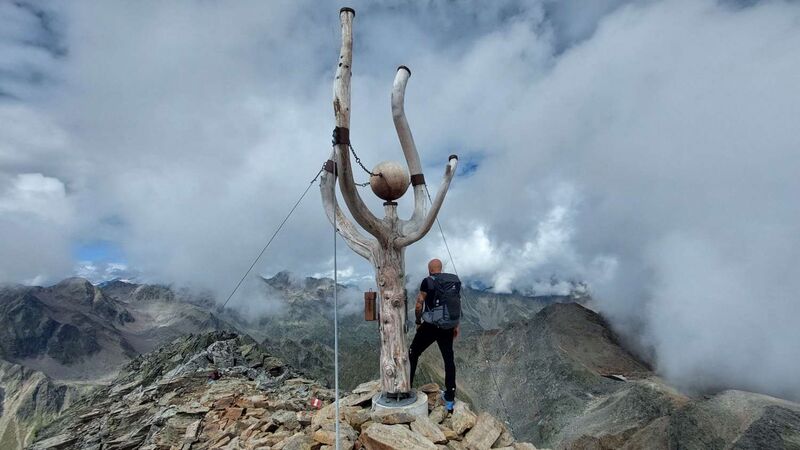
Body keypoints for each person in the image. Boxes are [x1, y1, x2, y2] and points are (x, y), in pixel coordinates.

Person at [408, 258, 462, 413]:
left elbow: (419, 304)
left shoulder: (427, 281)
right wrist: (455, 325)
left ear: (429, 269)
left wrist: (418, 321)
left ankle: (407, 388)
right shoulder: (452, 281)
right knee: (448, 360)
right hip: (447, 327)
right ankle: (450, 400)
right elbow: (456, 303)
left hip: (431, 326)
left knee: (413, 352)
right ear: (441, 268)